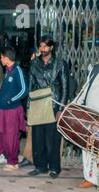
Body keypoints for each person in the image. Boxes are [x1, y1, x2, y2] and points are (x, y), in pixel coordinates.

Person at [27, 35, 68, 179]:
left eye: (45, 46)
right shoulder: (34, 64)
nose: (42, 49)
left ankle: (55, 168)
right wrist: (28, 107)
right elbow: (30, 85)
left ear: (51, 47)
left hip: (53, 104)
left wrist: (61, 109)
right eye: (41, 46)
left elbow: (65, 87)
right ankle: (40, 166)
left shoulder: (60, 64)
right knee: (38, 138)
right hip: (38, 103)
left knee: (52, 140)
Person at [74, 63, 99, 188]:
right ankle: (90, 178)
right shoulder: (95, 69)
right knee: (88, 146)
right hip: (90, 115)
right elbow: (85, 89)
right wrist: (75, 104)